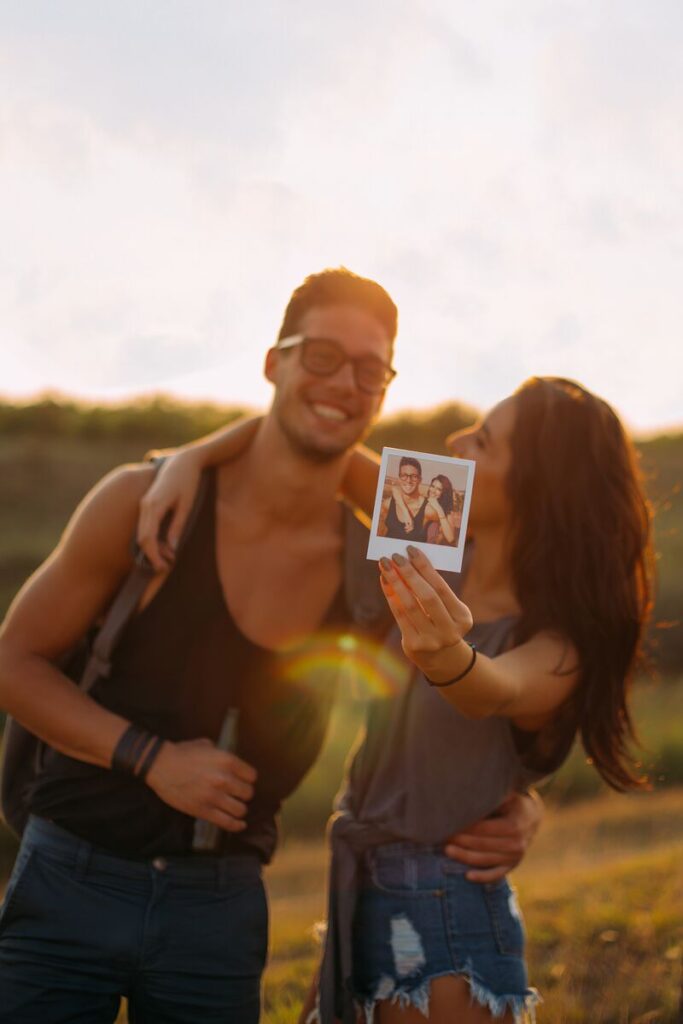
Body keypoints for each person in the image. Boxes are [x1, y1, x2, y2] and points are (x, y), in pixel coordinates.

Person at [0, 268, 540, 1024]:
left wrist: (516, 796)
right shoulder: (140, 502)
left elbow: (516, 608)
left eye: (369, 370)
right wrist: (152, 760)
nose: (343, 383)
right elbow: (12, 663)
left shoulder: (390, 539)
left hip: (219, 908)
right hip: (70, 878)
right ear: (272, 362)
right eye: (319, 356)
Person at [143, 376, 653, 1023]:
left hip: (444, 924)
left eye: (484, 441)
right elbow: (313, 445)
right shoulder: (434, 543)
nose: (456, 441)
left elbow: (491, 690)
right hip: (362, 896)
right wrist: (190, 458)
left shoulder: (555, 644)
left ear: (535, 488)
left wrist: (448, 657)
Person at [379, 457, 429, 541]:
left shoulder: (428, 510)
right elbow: (380, 534)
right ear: (399, 478)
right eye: (404, 476)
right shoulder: (387, 504)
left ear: (420, 480)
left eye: (414, 476)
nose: (408, 480)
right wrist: (405, 511)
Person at [424, 473, 459, 546]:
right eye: (432, 486)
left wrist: (438, 508)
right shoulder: (422, 503)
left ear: (444, 493)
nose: (433, 491)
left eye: (439, 489)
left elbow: (451, 538)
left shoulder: (446, 511)